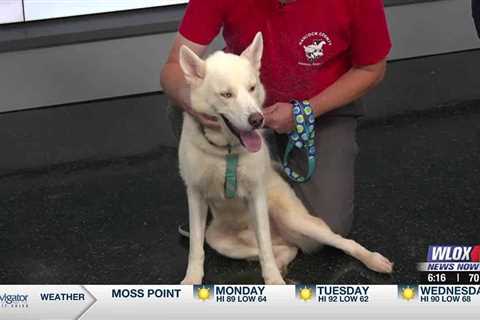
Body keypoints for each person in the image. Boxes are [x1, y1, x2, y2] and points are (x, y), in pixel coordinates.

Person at [160, 0, 391, 237]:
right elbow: (174, 67)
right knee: (188, 105)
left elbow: (372, 70)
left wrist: (306, 111)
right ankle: (221, 197)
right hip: (246, 102)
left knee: (326, 229)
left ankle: (262, 184)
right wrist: (192, 101)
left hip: (322, 108)